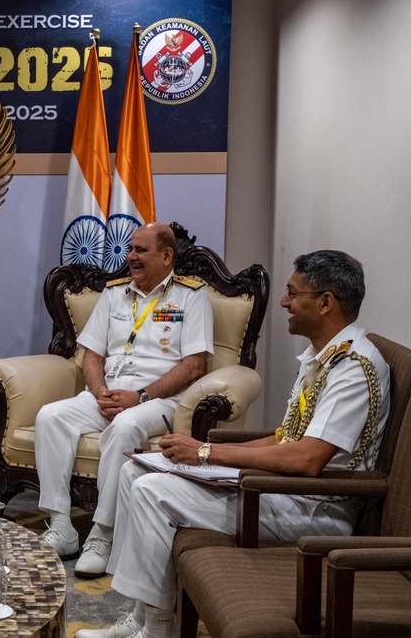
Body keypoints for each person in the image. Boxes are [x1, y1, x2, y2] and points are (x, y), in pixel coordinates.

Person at [82, 250, 390, 638]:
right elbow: (287, 436)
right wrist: (200, 457)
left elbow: (309, 459)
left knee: (151, 491)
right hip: (285, 492)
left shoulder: (353, 368)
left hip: (314, 507)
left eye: (293, 294)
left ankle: (159, 628)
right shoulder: (322, 357)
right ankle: (142, 617)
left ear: (326, 302)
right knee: (135, 470)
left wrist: (208, 453)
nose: (284, 302)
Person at [34, 223, 213, 577]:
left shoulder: (191, 297)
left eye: (141, 250)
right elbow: (91, 354)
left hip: (157, 401)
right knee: (50, 416)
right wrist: (99, 390)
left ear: (166, 255)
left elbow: (194, 365)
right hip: (109, 394)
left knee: (125, 426)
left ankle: (102, 533)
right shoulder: (114, 294)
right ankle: (62, 525)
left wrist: (140, 396)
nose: (130, 256)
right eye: (131, 249)